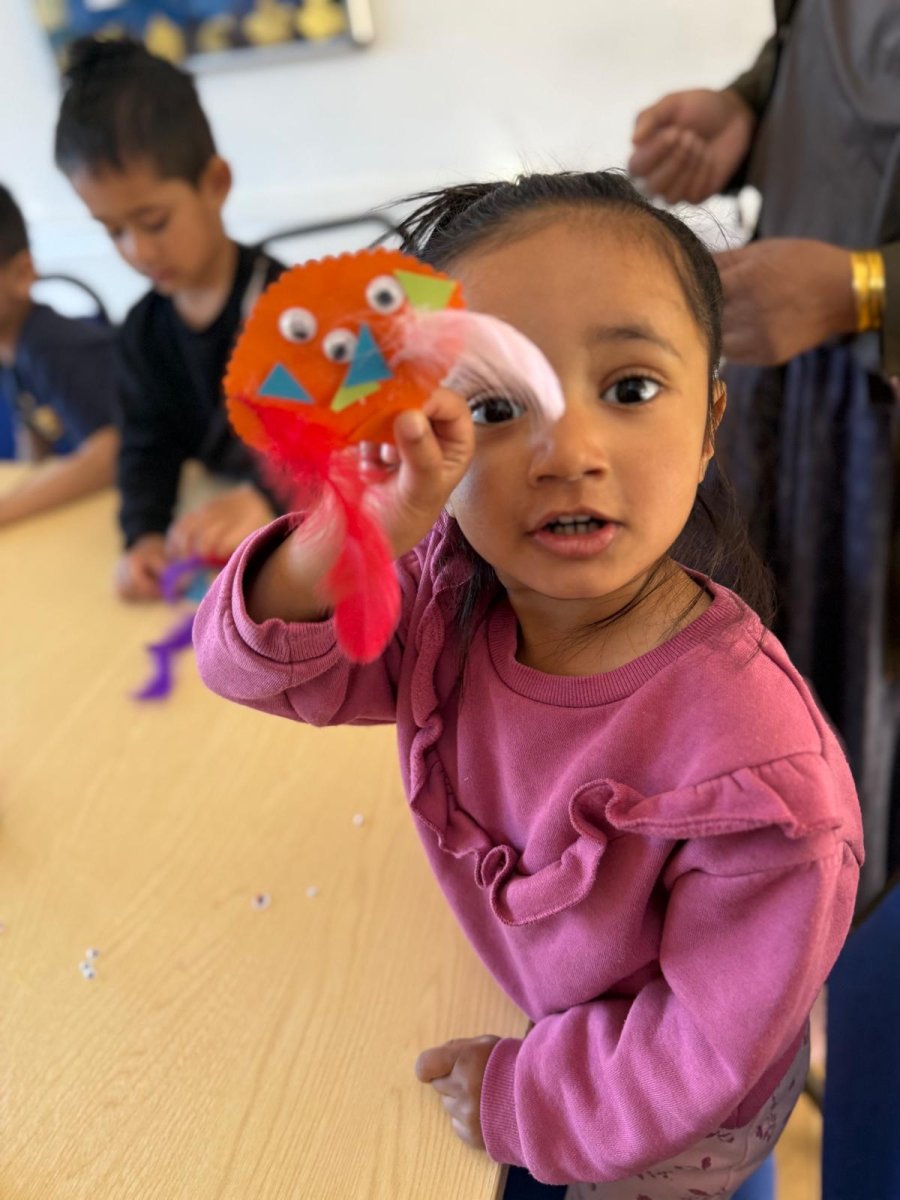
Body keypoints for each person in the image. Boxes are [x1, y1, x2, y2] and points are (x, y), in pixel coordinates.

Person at [192, 171, 861, 1198]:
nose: (569, 453)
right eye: (497, 407)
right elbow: (250, 668)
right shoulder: (445, 602)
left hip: (670, 1127)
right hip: (534, 1016)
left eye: (631, 389)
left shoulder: (757, 768)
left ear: (712, 420)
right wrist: (355, 529)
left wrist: (520, 1094)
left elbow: (703, 1050)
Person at [629, 0, 900, 907]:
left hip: (878, 405)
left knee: (864, 746)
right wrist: (752, 110)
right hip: (786, 384)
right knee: (761, 688)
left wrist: (865, 291)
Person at [53, 36, 285, 600]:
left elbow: (337, 435)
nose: (137, 251)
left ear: (215, 184)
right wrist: (144, 535)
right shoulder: (142, 330)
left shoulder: (290, 309)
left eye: (153, 222)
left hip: (294, 533)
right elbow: (145, 446)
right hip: (212, 545)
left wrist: (268, 497)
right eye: (113, 231)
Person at [0, 182, 118, 526]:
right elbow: (33, 450)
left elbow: (111, 453)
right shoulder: (11, 351)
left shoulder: (51, 345)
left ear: (22, 274)